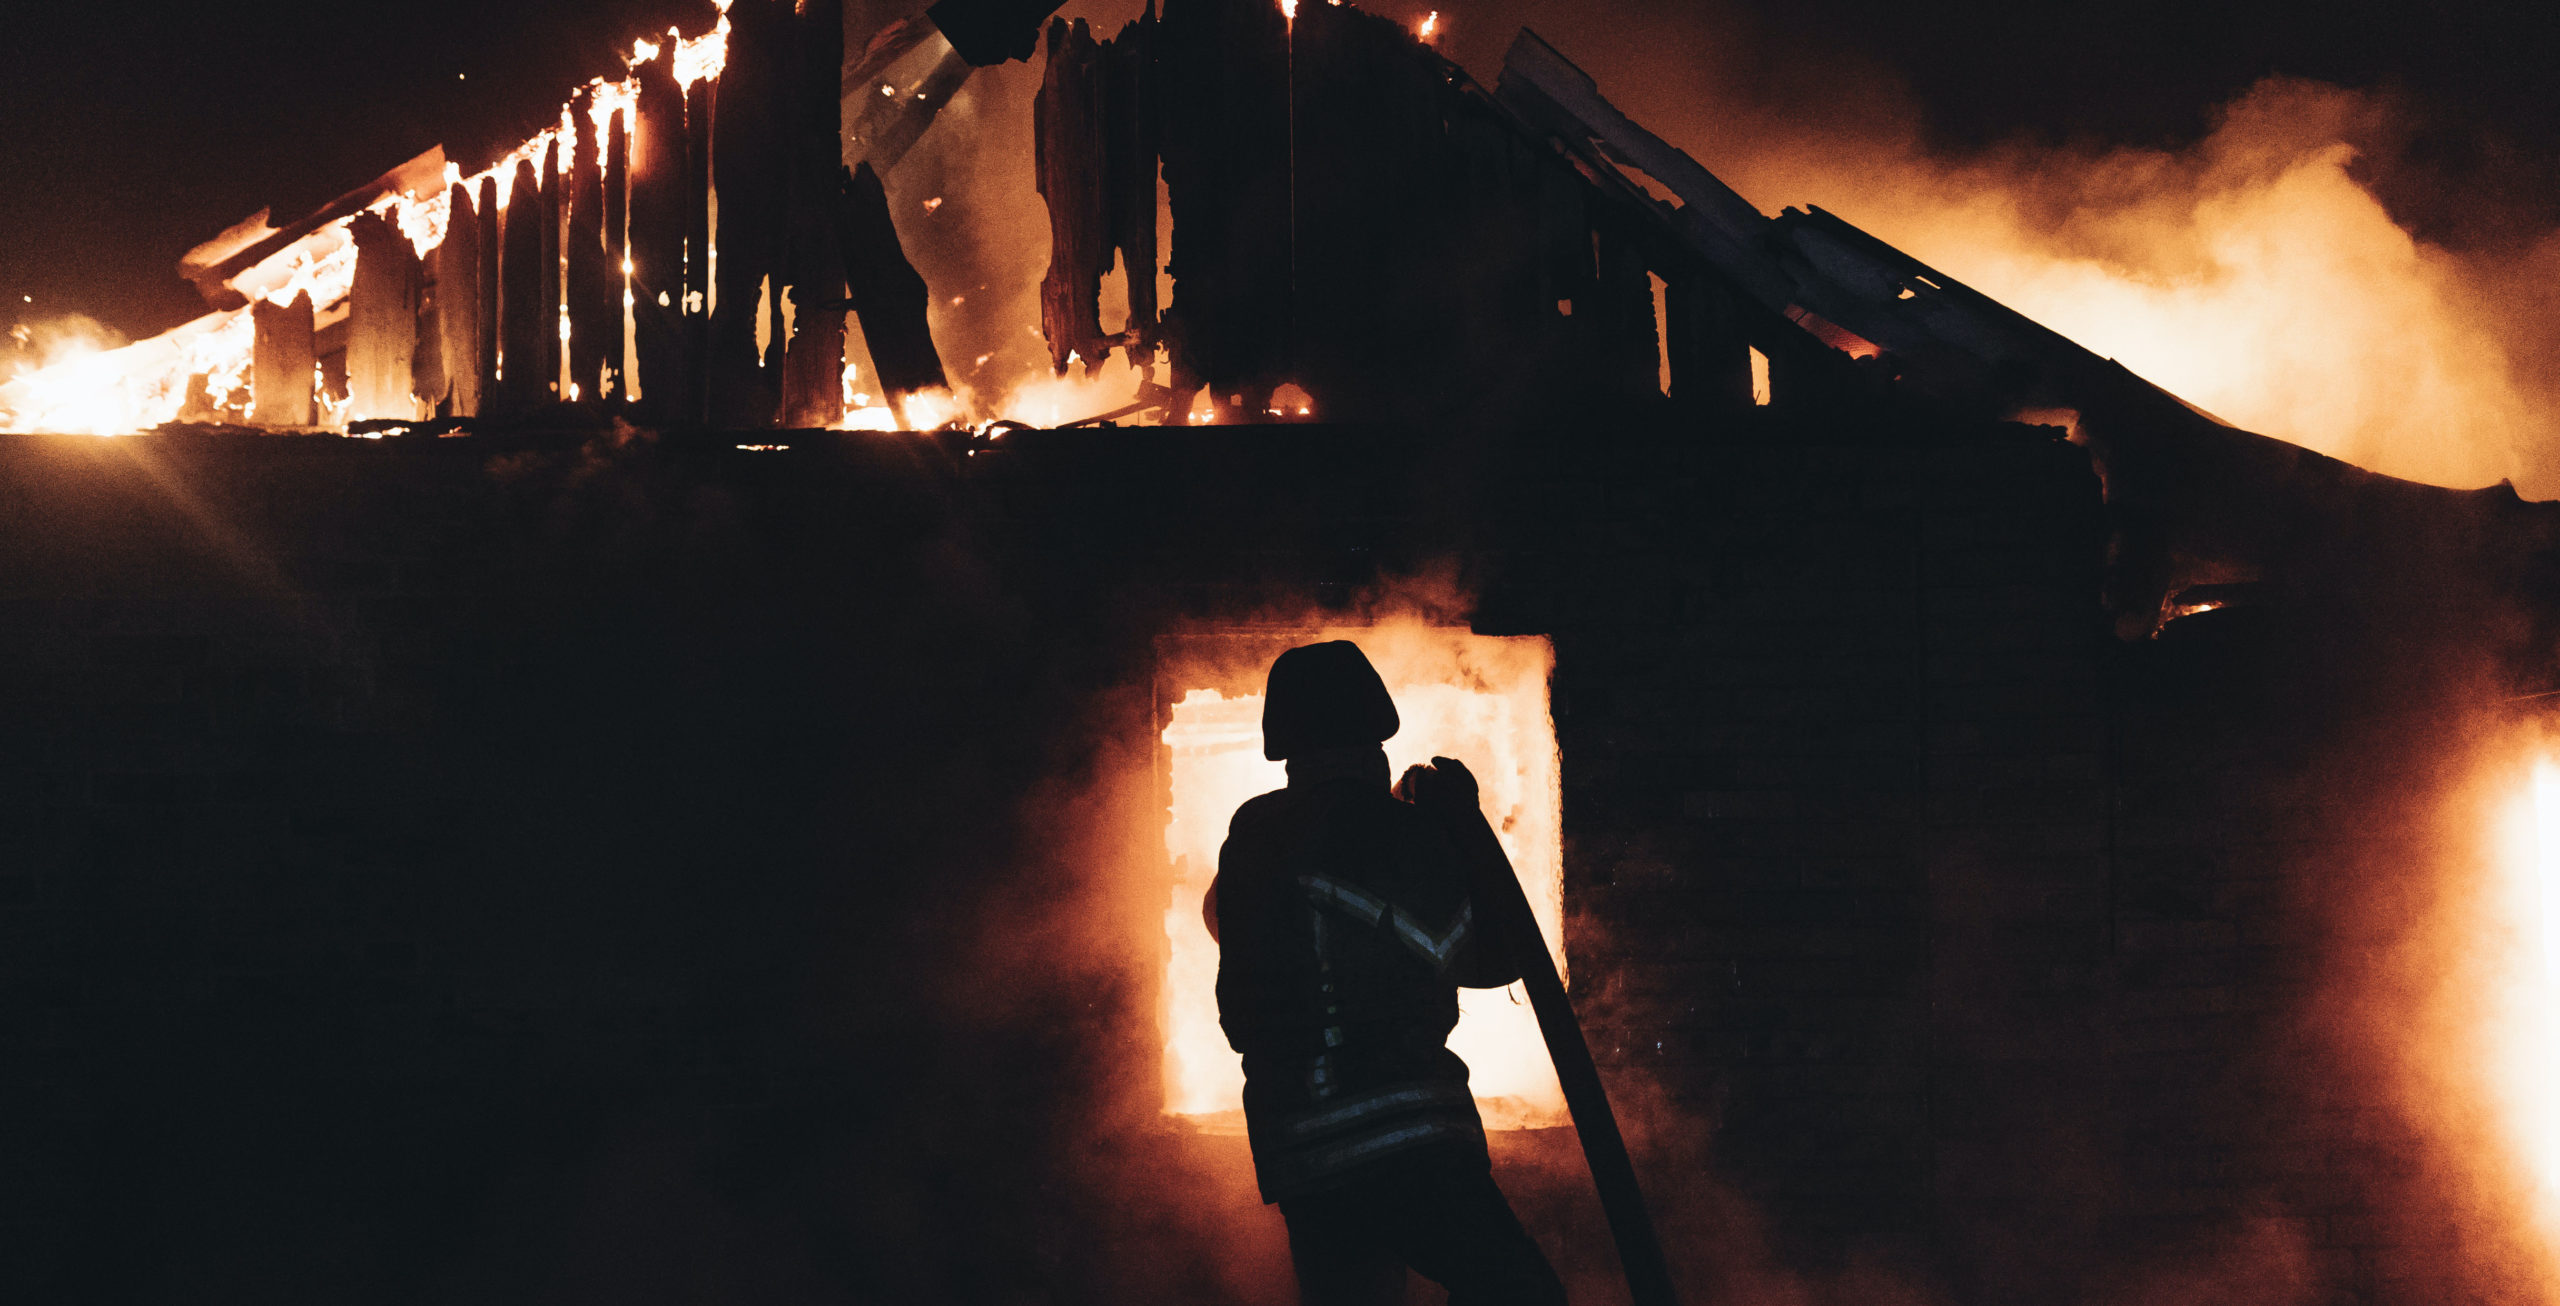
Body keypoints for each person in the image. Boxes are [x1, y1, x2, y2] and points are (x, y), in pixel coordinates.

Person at [1207, 640, 1568, 1306]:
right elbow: (1489, 957)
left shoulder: (1251, 832)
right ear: (1373, 737)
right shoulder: (1394, 831)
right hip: (1399, 1140)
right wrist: (1458, 826)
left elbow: (1241, 937)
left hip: (1297, 1151)